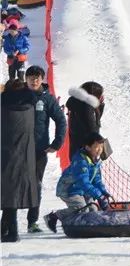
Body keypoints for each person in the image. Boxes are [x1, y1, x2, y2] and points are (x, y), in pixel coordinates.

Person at [25, 66, 66, 233]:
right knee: (11, 185)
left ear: (42, 79)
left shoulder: (47, 99)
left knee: (35, 185)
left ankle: (32, 222)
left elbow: (61, 121)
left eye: (37, 77)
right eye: (31, 77)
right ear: (26, 79)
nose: (34, 81)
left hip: (39, 150)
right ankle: (7, 222)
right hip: (17, 150)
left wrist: (57, 143)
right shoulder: (19, 96)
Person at [44, 132, 111, 232]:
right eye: (96, 147)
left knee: (93, 209)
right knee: (82, 209)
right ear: (88, 147)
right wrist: (98, 196)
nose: (99, 150)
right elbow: (83, 182)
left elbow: (97, 180)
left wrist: (103, 192)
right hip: (69, 189)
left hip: (83, 191)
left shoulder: (95, 160)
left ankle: (89, 227)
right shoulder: (80, 161)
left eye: (101, 147)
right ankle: (54, 216)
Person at [1, 80, 39, 243]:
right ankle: (4, 229)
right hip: (26, 155)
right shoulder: (30, 107)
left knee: (9, 192)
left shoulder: (3, 107)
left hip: (6, 153)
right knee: (13, 191)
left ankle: (13, 232)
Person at [67, 82, 104, 155]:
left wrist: (99, 107)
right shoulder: (87, 107)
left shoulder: (77, 102)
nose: (101, 97)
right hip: (85, 150)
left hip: (75, 145)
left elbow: (90, 121)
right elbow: (94, 130)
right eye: (100, 94)